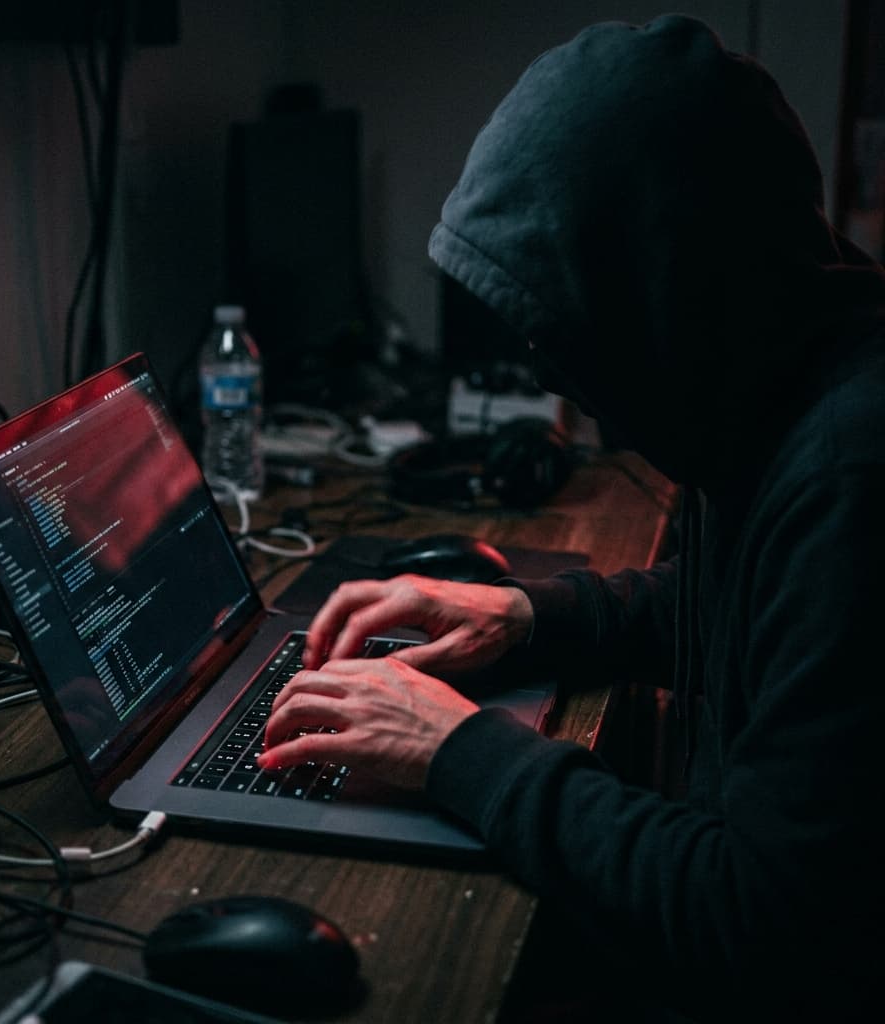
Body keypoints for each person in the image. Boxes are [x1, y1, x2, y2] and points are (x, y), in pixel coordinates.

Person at [259, 14, 885, 1021]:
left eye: (585, 347)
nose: (578, 397)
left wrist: (459, 751)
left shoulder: (854, 478)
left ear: (678, 296)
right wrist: (529, 618)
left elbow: (766, 929)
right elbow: (764, 614)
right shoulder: (799, 376)